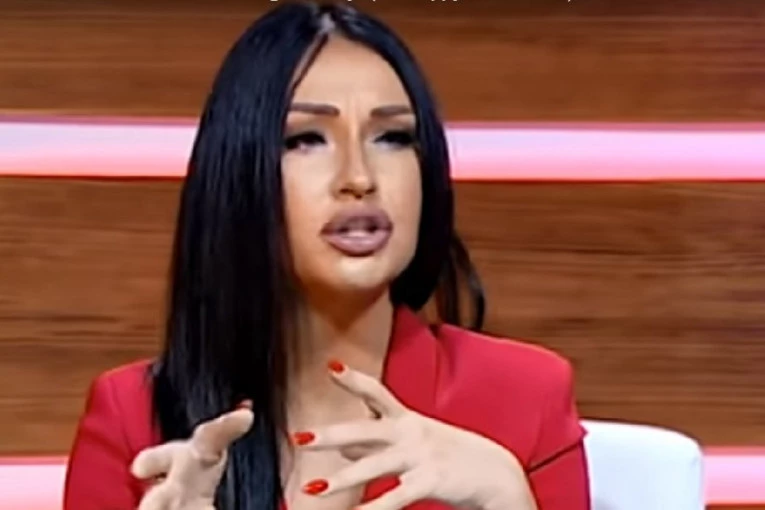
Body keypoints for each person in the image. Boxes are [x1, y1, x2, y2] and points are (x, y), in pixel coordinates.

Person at [63, 3, 590, 510]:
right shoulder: (133, 420)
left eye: (393, 137)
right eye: (306, 139)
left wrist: (510, 503)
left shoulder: (526, 396)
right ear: (239, 173)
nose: (359, 177)